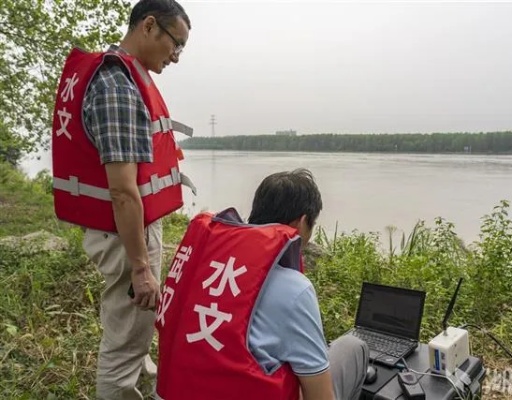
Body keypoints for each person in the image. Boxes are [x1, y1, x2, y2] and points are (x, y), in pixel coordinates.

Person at [50, 1, 193, 399]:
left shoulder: (120, 77)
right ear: (149, 26)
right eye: (176, 44)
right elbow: (123, 190)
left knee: (134, 333)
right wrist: (140, 268)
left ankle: (142, 389)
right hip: (126, 235)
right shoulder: (118, 87)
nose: (177, 57)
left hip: (123, 232)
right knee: (124, 346)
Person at [155, 169, 369, 400]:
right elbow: (320, 396)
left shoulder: (199, 265)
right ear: (302, 222)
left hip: (177, 390)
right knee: (352, 347)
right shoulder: (294, 289)